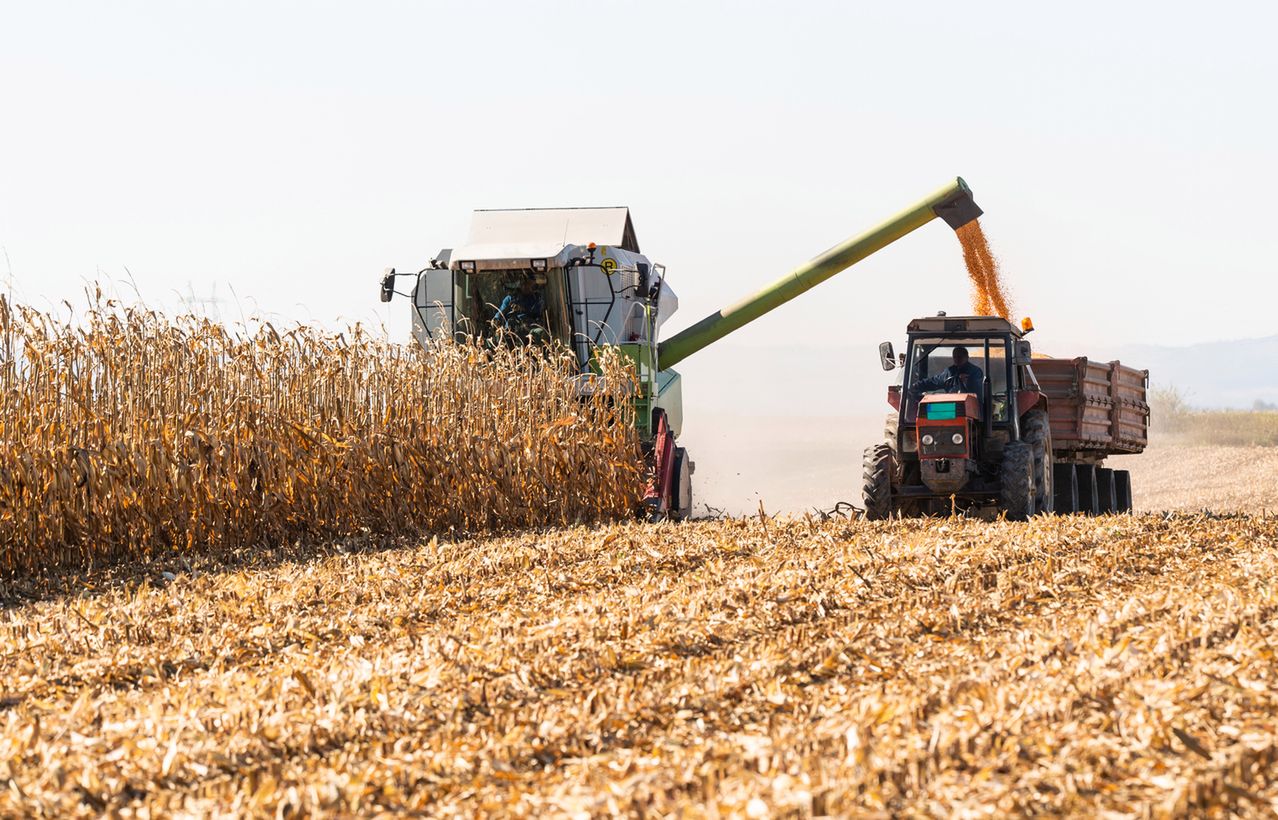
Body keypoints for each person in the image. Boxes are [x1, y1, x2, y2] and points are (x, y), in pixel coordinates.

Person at [910, 346, 985, 398]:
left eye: (960, 357)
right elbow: (935, 381)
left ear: (967, 357)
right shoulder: (950, 372)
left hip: (971, 407)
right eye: (955, 357)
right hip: (952, 406)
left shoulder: (975, 372)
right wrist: (916, 386)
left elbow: (977, 391)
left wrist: (967, 382)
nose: (957, 359)